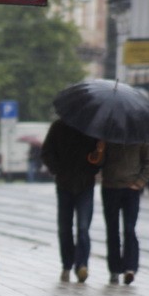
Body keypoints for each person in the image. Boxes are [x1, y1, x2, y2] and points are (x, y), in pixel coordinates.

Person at [40, 119, 105, 283]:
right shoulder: (59, 127)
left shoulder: (92, 129)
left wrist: (97, 158)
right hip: (64, 184)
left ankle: (82, 265)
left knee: (83, 227)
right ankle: (67, 265)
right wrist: (57, 170)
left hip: (85, 185)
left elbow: (100, 159)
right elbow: (46, 152)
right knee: (65, 228)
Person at [100, 142, 149, 285]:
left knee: (129, 229)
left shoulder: (141, 137)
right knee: (112, 230)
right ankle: (114, 269)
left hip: (131, 189)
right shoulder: (107, 136)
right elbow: (97, 163)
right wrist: (99, 150)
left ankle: (130, 268)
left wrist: (139, 183)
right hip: (110, 187)